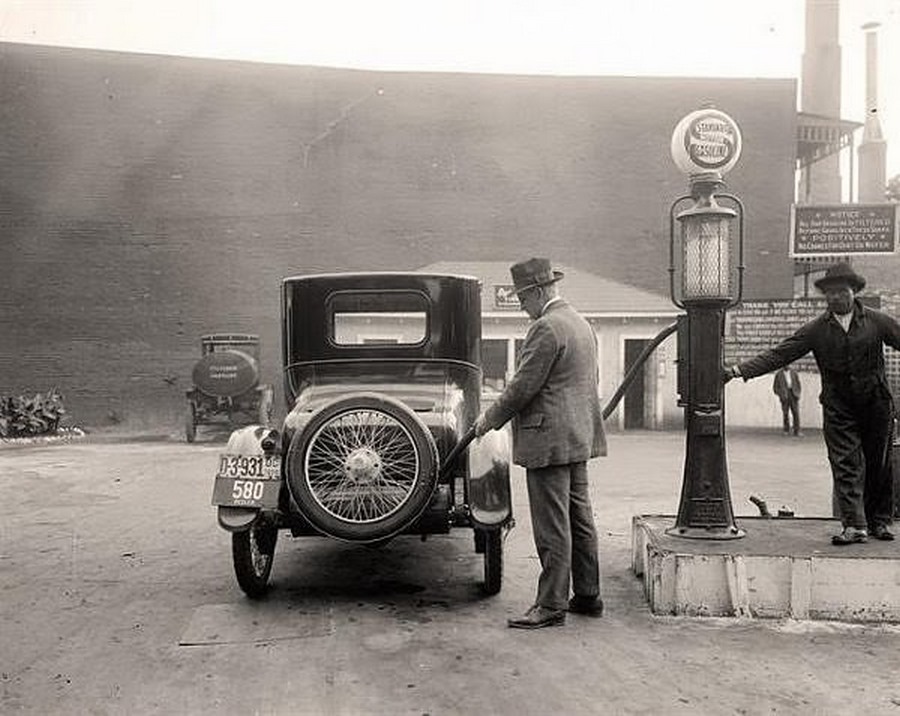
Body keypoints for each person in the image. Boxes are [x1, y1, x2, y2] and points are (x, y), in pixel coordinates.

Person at [724, 262, 900, 545]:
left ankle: (879, 521)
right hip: (838, 407)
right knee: (845, 464)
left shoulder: (877, 322)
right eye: (830, 293)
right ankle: (855, 526)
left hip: (875, 404)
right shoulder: (816, 329)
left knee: (878, 463)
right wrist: (737, 371)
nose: (836, 298)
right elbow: (779, 354)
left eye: (842, 292)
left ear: (854, 292)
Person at [474, 257, 607, 629]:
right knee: (580, 518)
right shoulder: (581, 324)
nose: (521, 305)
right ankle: (587, 595)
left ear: (536, 291)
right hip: (578, 436)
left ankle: (550, 606)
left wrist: (488, 420)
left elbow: (521, 388)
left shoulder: (546, 328)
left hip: (548, 440)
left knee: (552, 526)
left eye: (522, 298)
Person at [773, 363, 802, 436]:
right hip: (784, 395)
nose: (787, 365)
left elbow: (798, 383)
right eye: (785, 364)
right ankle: (786, 430)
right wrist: (781, 394)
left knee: (796, 413)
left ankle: (797, 431)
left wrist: (798, 393)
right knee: (785, 413)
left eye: (788, 364)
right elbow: (775, 387)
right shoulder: (778, 374)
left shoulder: (794, 373)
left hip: (793, 394)